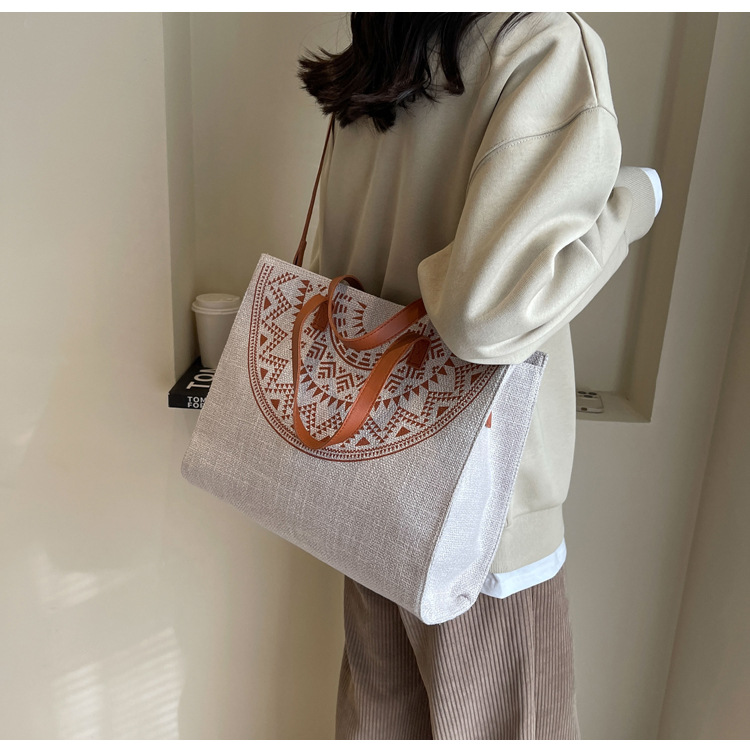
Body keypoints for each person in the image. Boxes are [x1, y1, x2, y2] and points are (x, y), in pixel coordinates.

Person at [297, 12, 660, 740]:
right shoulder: (540, 41)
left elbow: (333, 274)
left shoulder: (387, 47)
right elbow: (487, 317)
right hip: (481, 519)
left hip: (370, 491)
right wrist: (630, 203)